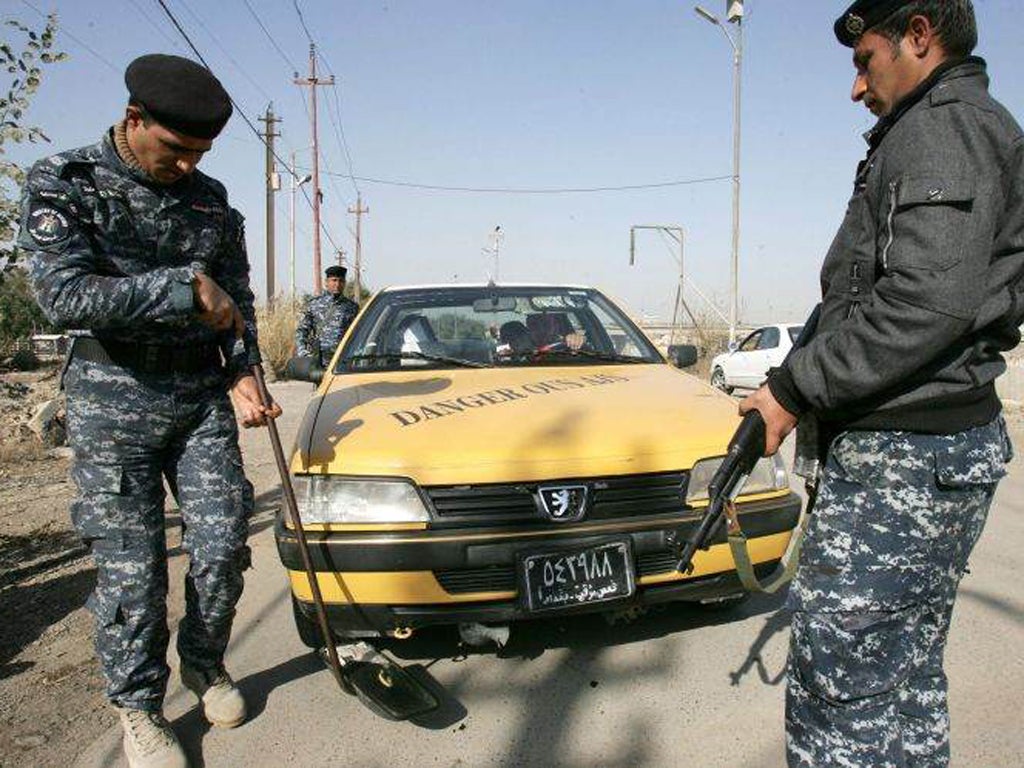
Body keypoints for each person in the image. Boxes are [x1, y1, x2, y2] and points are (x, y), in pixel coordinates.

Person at [739, 2, 1022, 765]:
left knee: (842, 696)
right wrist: (788, 381)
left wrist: (791, 392)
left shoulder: (943, 127)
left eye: (866, 59)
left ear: (920, 36)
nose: (856, 86)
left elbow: (923, 305)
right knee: (905, 681)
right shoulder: (952, 126)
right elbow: (868, 295)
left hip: (905, 452)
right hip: (928, 451)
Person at [20, 54, 282, 768]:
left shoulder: (211, 199)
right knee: (133, 571)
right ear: (135, 119)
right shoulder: (63, 183)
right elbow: (64, 297)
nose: (186, 165)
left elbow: (238, 301)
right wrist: (181, 289)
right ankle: (139, 707)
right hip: (112, 404)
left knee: (226, 542)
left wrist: (244, 371)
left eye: (200, 153)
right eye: (176, 149)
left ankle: (204, 662)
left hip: (198, 398)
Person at [294, 265, 360, 366]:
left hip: (342, 360)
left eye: (341, 281)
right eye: (334, 280)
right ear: (326, 282)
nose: (337, 284)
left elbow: (357, 334)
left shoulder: (352, 307)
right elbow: (301, 330)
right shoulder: (314, 304)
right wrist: (302, 351)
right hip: (319, 360)